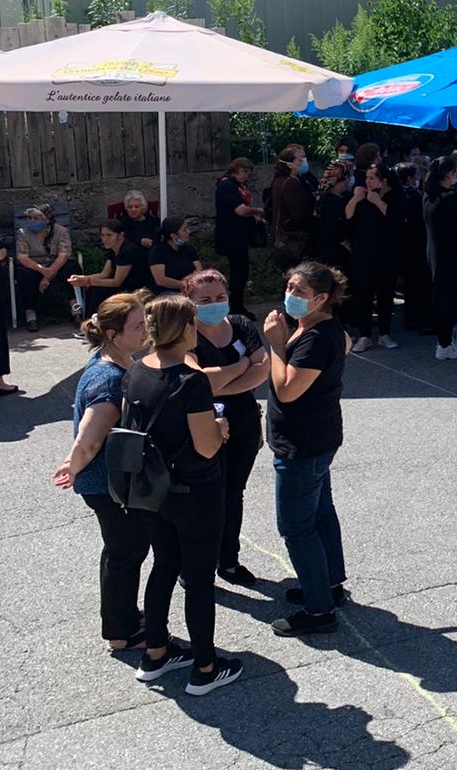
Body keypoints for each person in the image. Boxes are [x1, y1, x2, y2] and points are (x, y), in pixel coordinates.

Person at [127, 293, 241, 694]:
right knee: (198, 578)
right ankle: (205, 667)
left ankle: (155, 652)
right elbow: (206, 446)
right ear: (185, 329)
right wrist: (221, 429)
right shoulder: (192, 382)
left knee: (163, 566)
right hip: (194, 491)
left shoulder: (136, 370)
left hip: (151, 489)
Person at [52, 291, 152, 651]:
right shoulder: (109, 378)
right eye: (138, 326)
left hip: (111, 481)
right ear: (113, 334)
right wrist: (73, 465)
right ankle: (122, 632)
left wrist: (73, 461)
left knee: (124, 550)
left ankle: (122, 618)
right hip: (107, 484)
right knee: (125, 552)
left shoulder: (113, 362)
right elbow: (90, 438)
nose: (146, 330)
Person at [262, 262, 352, 636]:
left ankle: (319, 610)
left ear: (321, 298)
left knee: (296, 527)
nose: (291, 295)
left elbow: (287, 390)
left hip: (303, 445)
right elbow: (344, 345)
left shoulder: (315, 337)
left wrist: (275, 344)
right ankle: (328, 583)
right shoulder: (315, 328)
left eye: (300, 291)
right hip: (317, 438)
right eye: (290, 287)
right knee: (319, 513)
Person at [184, 269, 269, 588]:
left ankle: (228, 560)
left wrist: (222, 383)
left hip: (244, 422)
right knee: (202, 497)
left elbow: (264, 368)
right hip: (202, 423)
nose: (215, 304)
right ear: (190, 302)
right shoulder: (185, 332)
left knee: (233, 493)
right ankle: (193, 563)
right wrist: (241, 365)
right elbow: (199, 381)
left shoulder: (241, 325)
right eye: (205, 300)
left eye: (220, 297)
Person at [345, 163, 400, 353]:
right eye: (367, 178)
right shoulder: (360, 196)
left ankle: (384, 333)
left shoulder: (393, 196)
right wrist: (356, 199)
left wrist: (377, 201)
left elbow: (395, 219)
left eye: (372, 178)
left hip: (386, 255)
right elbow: (347, 215)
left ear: (382, 181)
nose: (368, 182)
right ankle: (365, 335)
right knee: (363, 295)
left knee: (386, 295)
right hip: (362, 255)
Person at [424, 156, 457, 360]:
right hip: (450, 254)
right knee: (449, 299)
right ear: (450, 174)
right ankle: (444, 344)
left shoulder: (429, 196)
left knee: (442, 297)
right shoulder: (450, 198)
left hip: (435, 253)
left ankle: (447, 339)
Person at [213, 158, 265, 318]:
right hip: (232, 236)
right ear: (238, 170)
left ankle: (237, 304)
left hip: (238, 235)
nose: (246, 176)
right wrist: (257, 211)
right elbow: (240, 210)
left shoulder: (236, 186)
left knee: (241, 271)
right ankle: (235, 306)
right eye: (245, 172)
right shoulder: (227, 186)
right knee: (238, 272)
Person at [14, 203, 78, 328]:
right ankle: (30, 315)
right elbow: (22, 257)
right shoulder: (23, 233)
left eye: (36, 218)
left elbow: (63, 255)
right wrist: (42, 270)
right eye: (30, 218)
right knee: (23, 274)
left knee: (71, 268)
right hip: (35, 265)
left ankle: (75, 308)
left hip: (56, 264)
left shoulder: (61, 231)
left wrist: (47, 276)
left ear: (47, 220)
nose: (32, 221)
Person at [71, 220, 153, 312]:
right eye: (102, 235)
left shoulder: (128, 251)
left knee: (96, 291)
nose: (105, 239)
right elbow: (104, 274)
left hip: (136, 288)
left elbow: (117, 282)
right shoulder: (113, 250)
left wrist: (88, 281)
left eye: (109, 235)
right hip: (123, 285)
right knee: (93, 289)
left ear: (120, 235)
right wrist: (82, 278)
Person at [393, 163, 433, 335]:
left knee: (409, 285)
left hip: (401, 245)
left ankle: (411, 319)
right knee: (420, 285)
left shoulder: (394, 194)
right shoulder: (414, 195)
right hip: (416, 245)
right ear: (410, 178)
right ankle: (423, 320)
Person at [269, 150, 313, 271]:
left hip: (283, 233)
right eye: (300, 160)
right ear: (289, 164)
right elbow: (298, 212)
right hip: (292, 236)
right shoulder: (290, 183)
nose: (303, 162)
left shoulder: (280, 180)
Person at [314, 161, 353, 273]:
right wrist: (346, 243)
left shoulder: (324, 195)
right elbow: (334, 228)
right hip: (334, 250)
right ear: (344, 178)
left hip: (325, 246)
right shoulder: (333, 201)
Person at [149, 216, 203, 293]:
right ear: (173, 235)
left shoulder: (189, 249)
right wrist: (184, 285)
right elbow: (161, 280)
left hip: (189, 290)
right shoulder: (157, 251)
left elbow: (199, 271)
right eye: (184, 230)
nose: (188, 232)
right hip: (166, 292)